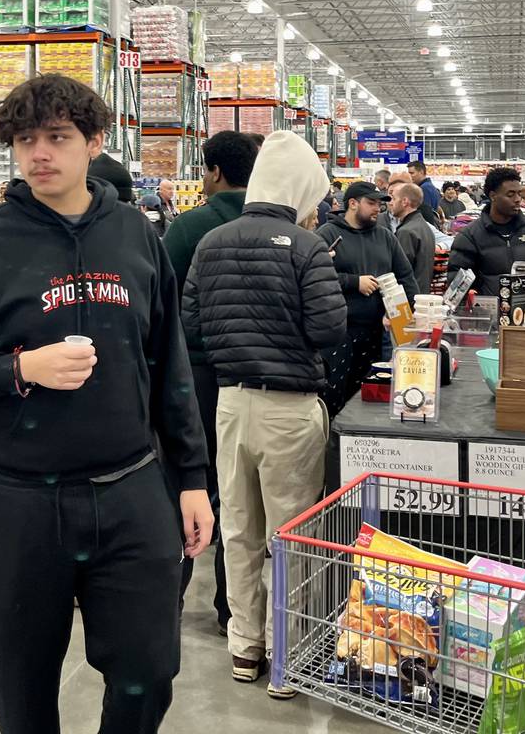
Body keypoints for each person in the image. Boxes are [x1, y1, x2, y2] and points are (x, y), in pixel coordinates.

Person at [0, 74, 212, 734]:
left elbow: (170, 366)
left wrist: (191, 478)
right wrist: (21, 369)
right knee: (18, 686)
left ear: (93, 143)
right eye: (26, 140)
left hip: (130, 490)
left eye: (57, 137)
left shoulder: (135, 237)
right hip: (16, 504)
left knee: (148, 670)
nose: (39, 154)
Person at [182, 130, 345, 697]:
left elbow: (192, 323)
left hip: (230, 404)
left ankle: (244, 648)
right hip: (289, 408)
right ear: (300, 186)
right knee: (290, 535)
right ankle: (285, 656)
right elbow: (329, 328)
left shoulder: (211, 241)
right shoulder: (305, 248)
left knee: (239, 529)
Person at [163, 131, 258, 634]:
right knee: (239, 495)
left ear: (214, 172)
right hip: (252, 381)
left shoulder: (188, 228)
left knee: (189, 483)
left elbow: (162, 306)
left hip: (195, 375)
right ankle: (231, 610)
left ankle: (169, 600)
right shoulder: (273, 225)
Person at [317, 180, 417, 413]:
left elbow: (405, 278)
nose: (377, 209)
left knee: (372, 399)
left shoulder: (385, 237)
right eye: (371, 203)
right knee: (336, 399)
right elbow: (315, 277)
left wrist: (404, 314)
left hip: (377, 334)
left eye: (380, 204)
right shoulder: (327, 234)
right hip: (338, 334)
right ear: (352, 203)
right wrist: (354, 282)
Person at [448, 167, 525, 310]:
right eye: (510, 194)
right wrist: (474, 319)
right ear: (493, 195)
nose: (517, 200)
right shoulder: (469, 236)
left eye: (519, 194)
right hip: (488, 322)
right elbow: (458, 286)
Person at [391, 182, 437, 294]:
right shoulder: (424, 226)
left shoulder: (406, 232)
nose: (390, 203)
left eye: (393, 198)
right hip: (422, 294)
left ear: (405, 201)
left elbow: (401, 271)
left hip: (409, 299)